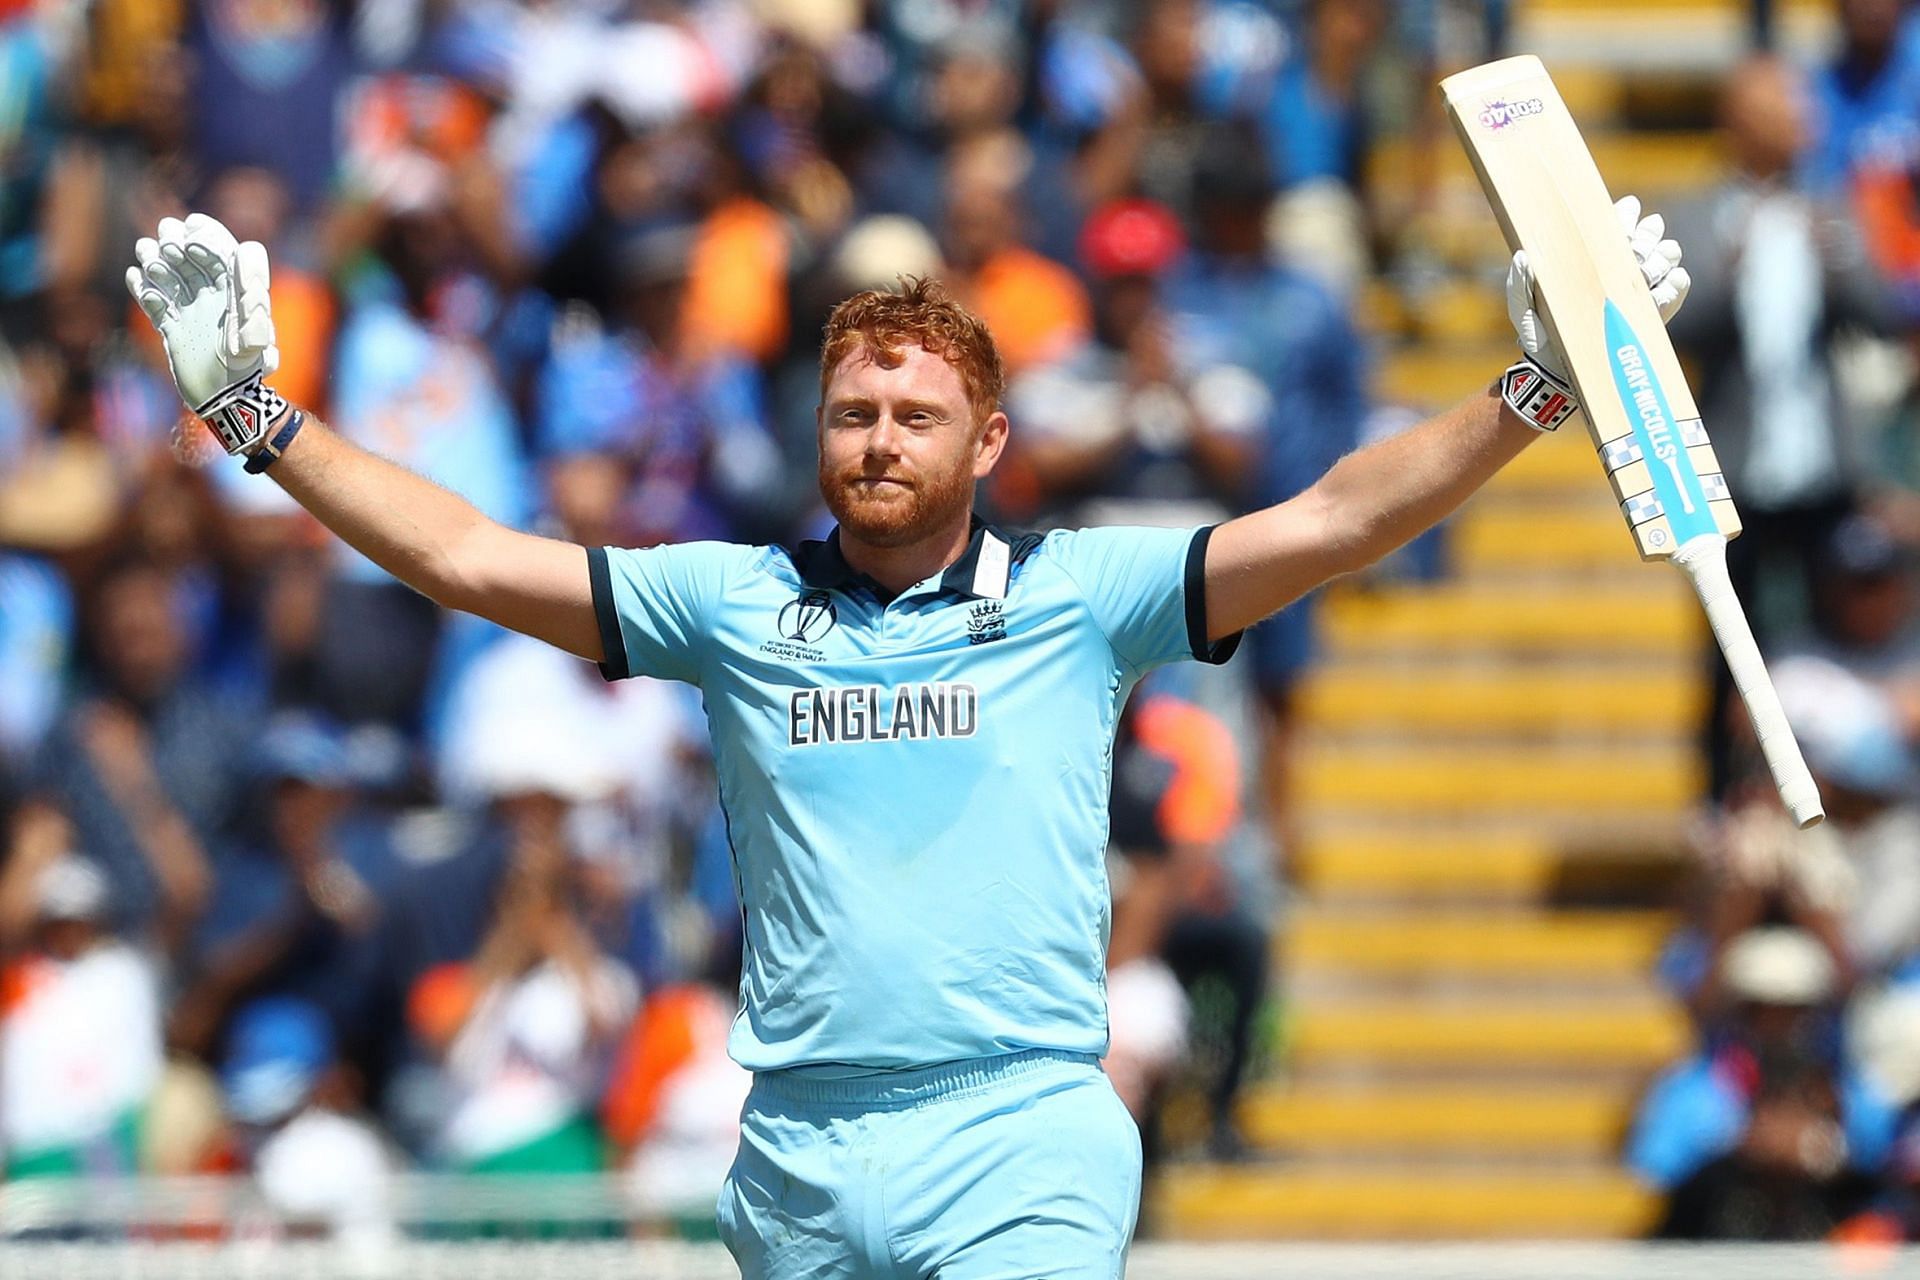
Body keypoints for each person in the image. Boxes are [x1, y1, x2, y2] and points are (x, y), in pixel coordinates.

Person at [124, 199, 1689, 1277]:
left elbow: (1338, 517)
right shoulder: (730, 604)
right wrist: (256, 417)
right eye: (852, 415)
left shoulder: (1083, 596)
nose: (878, 442)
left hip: (1017, 1127)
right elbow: (468, 557)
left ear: (988, 441)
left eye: (916, 416)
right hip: (799, 1146)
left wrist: (1536, 388)